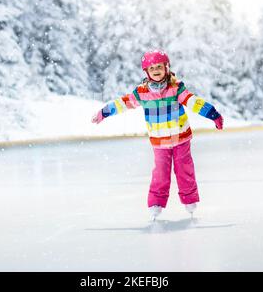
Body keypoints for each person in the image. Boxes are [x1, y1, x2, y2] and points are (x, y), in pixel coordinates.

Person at [91, 49, 223, 220]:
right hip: (159, 142)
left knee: (185, 170)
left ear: (166, 68)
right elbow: (122, 103)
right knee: (160, 173)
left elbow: (193, 102)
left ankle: (189, 201)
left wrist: (212, 114)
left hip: (181, 137)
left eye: (159, 67)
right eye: (152, 68)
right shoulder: (142, 93)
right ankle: (156, 203)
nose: (156, 71)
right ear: (146, 72)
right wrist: (105, 112)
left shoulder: (176, 88)